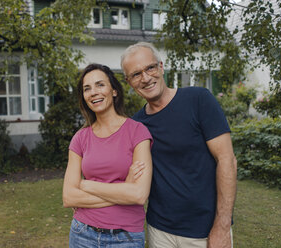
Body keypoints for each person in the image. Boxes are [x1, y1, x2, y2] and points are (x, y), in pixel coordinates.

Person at [121, 42, 237, 248]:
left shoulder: (198, 100)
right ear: (128, 81)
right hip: (159, 231)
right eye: (136, 74)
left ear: (161, 67)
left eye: (150, 68)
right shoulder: (137, 125)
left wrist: (222, 225)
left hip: (205, 231)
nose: (146, 78)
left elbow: (227, 160)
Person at [62, 63, 153, 247]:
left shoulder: (137, 132)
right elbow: (69, 197)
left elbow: (138, 195)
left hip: (125, 237)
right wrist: (123, 189)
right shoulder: (80, 138)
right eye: (87, 89)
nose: (93, 92)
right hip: (82, 234)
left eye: (100, 85)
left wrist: (86, 184)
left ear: (114, 91)